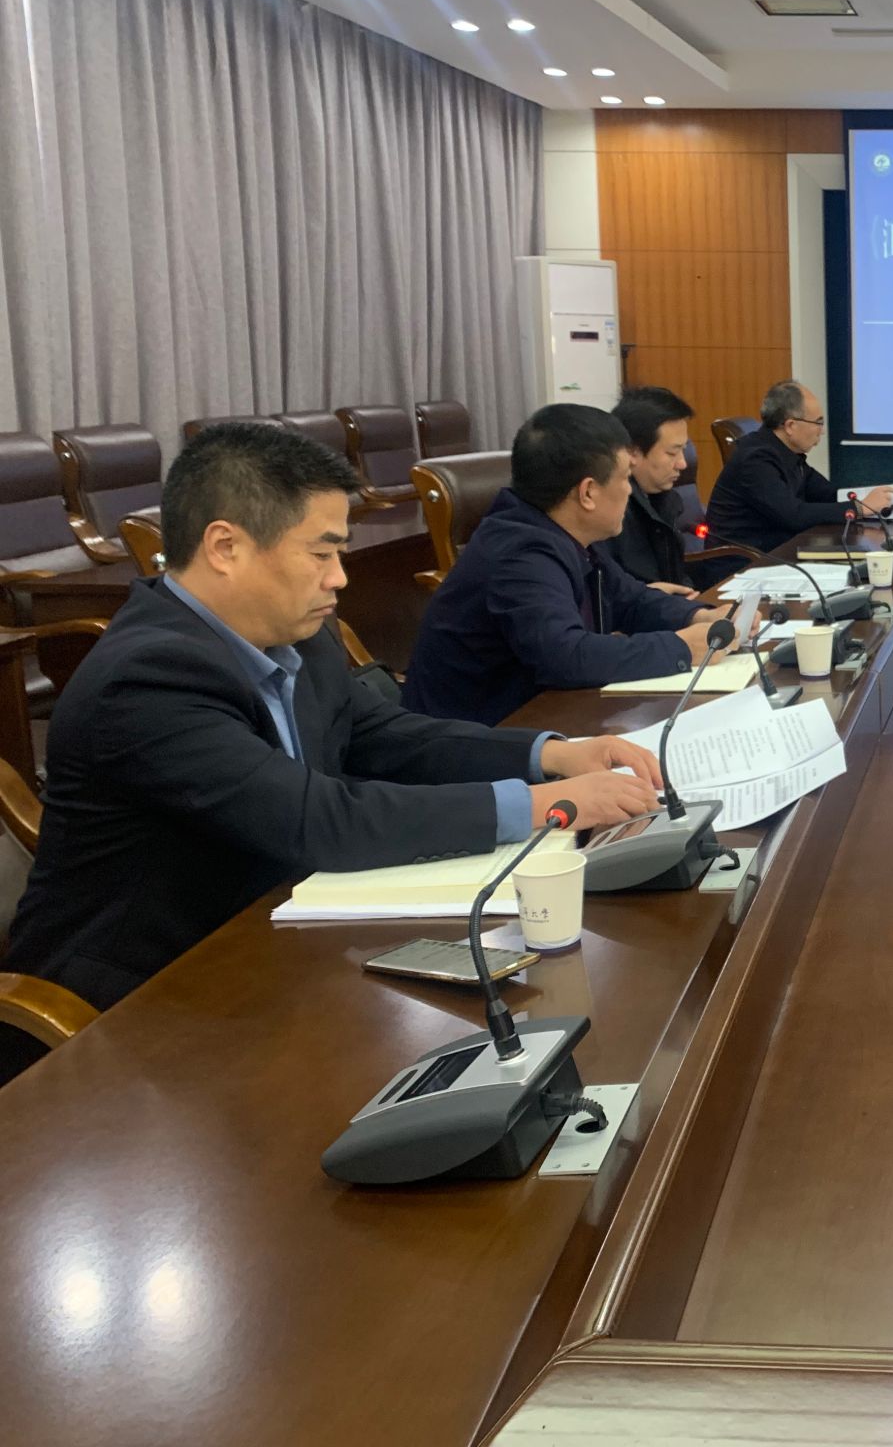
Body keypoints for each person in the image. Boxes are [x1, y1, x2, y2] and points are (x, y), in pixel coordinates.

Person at [0, 422, 663, 1051]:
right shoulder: (147, 678)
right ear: (225, 547)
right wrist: (547, 805)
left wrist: (551, 754)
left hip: (277, 936)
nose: (340, 577)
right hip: (140, 999)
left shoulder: (296, 633)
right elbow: (316, 820)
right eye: (321, 553)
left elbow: (386, 735)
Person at [403, 404, 728, 726]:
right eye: (626, 478)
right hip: (475, 736)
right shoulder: (520, 554)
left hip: (537, 716)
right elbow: (566, 657)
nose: (630, 490)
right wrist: (682, 647)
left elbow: (629, 599)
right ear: (588, 492)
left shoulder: (563, 533)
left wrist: (700, 615)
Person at [705, 380, 893, 556]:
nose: (822, 432)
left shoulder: (787, 454)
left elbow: (830, 494)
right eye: (818, 423)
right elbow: (793, 515)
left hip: (776, 553)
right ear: (790, 426)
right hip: (743, 564)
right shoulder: (755, 460)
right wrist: (860, 508)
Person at [603, 385, 701, 595]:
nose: (683, 463)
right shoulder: (611, 512)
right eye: (672, 453)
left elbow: (675, 578)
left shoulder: (663, 499)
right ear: (632, 453)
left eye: (683, 450)